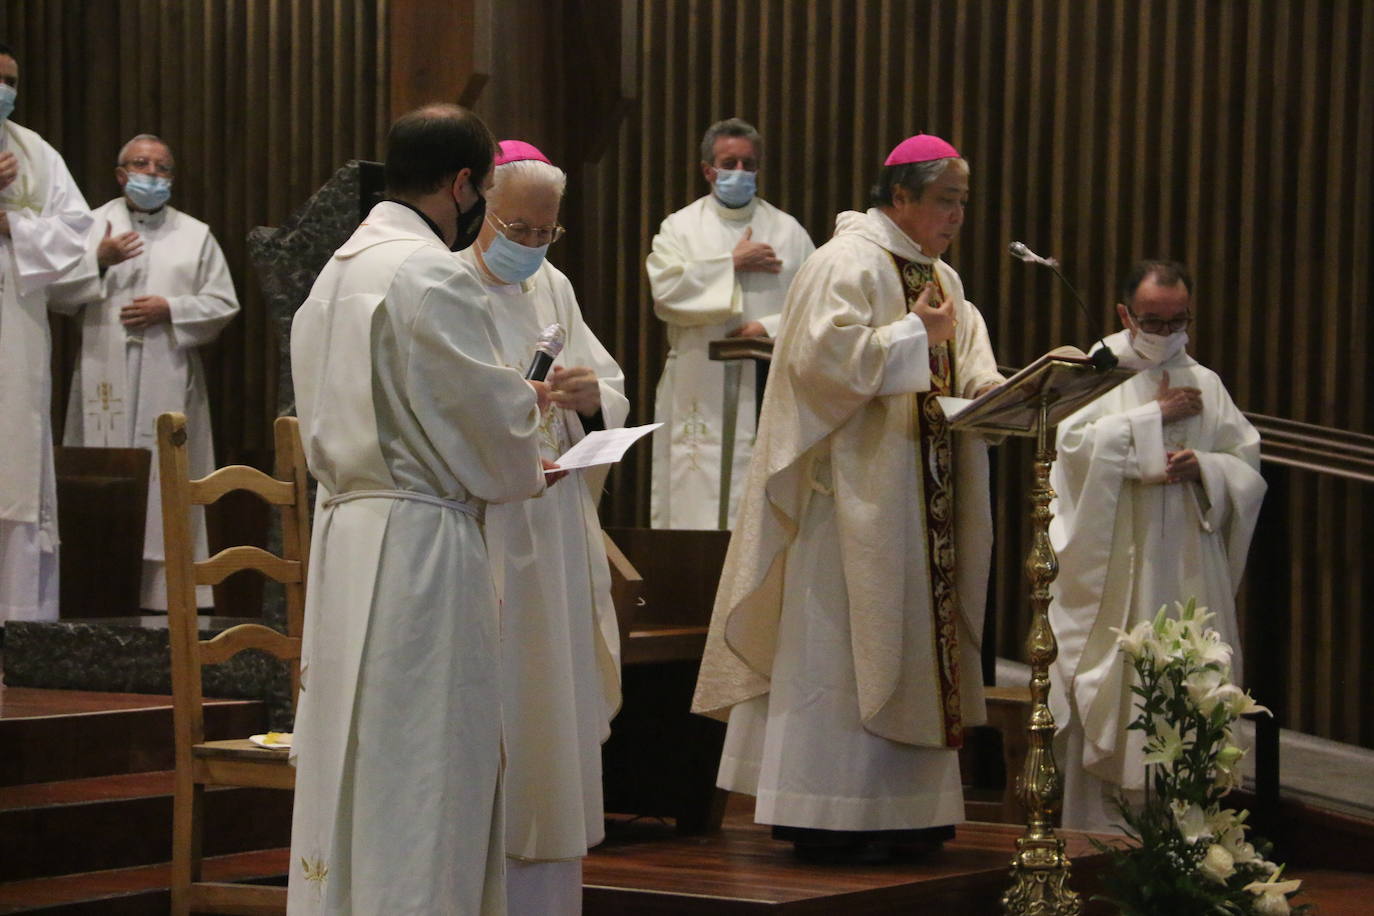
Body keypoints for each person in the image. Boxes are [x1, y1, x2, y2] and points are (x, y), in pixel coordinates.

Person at [691, 135, 1005, 861]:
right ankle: (827, 809)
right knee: (841, 652)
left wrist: (989, 387)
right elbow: (815, 363)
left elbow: (967, 353)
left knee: (915, 650)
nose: (957, 214)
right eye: (945, 200)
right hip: (853, 506)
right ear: (901, 195)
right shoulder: (845, 261)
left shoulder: (942, 276)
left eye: (962, 202)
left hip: (922, 500)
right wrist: (908, 337)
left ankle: (912, 813)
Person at [287, 104, 552, 915]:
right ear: (464, 183)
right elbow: (493, 430)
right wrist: (526, 409)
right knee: (424, 764)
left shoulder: (336, 271)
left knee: (355, 760)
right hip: (422, 544)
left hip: (346, 532)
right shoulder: (431, 271)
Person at [458, 139, 627, 915]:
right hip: (489, 531)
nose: (530, 247)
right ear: (479, 207)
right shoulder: (447, 285)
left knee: (551, 707)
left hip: (552, 533)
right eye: (517, 229)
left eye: (543, 233)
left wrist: (592, 398)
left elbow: (607, 388)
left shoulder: (553, 285)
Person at [1048, 260, 1266, 834]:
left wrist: (1208, 469)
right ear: (1125, 314)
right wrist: (1152, 420)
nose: (1168, 334)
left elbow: (1246, 466)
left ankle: (1183, 844)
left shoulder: (1206, 382)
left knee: (1189, 687)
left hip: (1189, 570)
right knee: (1118, 687)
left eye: (1178, 322)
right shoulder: (1097, 370)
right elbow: (1071, 449)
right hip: (1120, 563)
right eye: (1154, 322)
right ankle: (1098, 839)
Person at [62, 134, 239, 611]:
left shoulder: (195, 233)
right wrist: (97, 262)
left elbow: (224, 303)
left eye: (162, 168)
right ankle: (99, 588)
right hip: (105, 369)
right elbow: (58, 294)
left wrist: (171, 307)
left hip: (168, 371)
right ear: (121, 174)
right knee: (103, 470)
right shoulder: (89, 225)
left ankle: (167, 598)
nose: (152, 175)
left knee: (169, 482)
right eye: (142, 164)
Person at [647, 117, 814, 529]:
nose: (739, 173)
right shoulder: (680, 227)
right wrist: (731, 264)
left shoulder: (788, 231)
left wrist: (769, 327)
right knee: (692, 495)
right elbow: (665, 293)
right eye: (729, 163)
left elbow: (816, 305)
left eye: (748, 164)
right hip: (698, 379)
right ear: (709, 170)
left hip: (765, 381)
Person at [0, 41, 95, 624]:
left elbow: (76, 233)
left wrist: (11, 221)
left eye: (10, 80)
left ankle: (17, 626)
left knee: (15, 465)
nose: (4, 90)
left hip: (17, 330)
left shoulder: (36, 152)